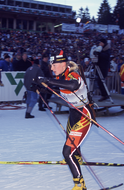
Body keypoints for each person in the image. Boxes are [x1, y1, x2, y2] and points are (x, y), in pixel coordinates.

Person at [36, 50, 95, 190]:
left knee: (67, 152)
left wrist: (48, 81)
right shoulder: (62, 75)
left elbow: (73, 86)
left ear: (62, 64)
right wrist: (39, 88)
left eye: (53, 65)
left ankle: (80, 184)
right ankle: (77, 158)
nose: (51, 68)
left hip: (84, 115)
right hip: (74, 113)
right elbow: (60, 90)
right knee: (71, 140)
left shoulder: (73, 75)